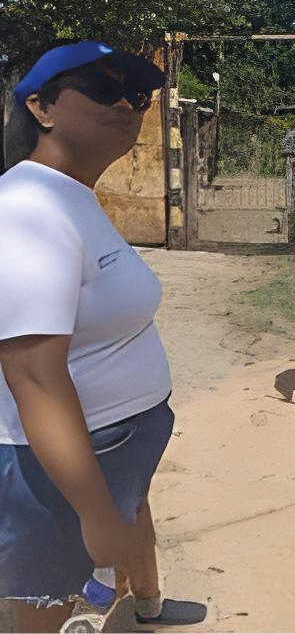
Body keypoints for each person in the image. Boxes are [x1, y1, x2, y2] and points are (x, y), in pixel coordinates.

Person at [0, 42, 176, 632]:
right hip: (62, 469)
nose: (125, 105)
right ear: (41, 108)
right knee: (43, 607)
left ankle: (143, 602)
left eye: (138, 96)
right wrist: (95, 513)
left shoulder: (69, 195)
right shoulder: (27, 209)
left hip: (113, 443)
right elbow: (33, 374)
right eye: (103, 90)